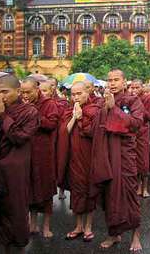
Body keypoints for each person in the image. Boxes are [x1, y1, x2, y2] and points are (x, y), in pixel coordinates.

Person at [89, 69, 143, 251]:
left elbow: (136, 124)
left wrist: (114, 109)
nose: (112, 83)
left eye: (116, 80)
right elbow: (95, 127)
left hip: (124, 154)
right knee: (110, 195)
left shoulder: (132, 101)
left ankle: (136, 236)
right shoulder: (101, 101)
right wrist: (105, 108)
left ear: (124, 81)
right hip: (107, 156)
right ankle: (114, 234)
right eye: (109, 80)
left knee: (129, 194)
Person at [0, 75, 40, 254]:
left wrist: (2, 116)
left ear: (18, 92)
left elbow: (19, 138)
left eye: (4, 92)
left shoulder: (29, 112)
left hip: (15, 171)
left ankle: (19, 247)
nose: (0, 95)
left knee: (16, 212)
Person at [56, 82, 101, 242]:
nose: (75, 97)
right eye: (73, 94)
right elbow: (64, 132)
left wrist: (82, 118)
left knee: (90, 192)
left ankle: (88, 227)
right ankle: (78, 226)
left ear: (87, 93)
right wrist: (75, 117)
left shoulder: (95, 110)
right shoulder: (69, 110)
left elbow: (94, 132)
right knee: (76, 192)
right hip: (74, 158)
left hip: (89, 157)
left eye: (79, 93)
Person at [21, 78, 59, 238]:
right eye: (22, 92)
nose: (25, 95)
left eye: (28, 92)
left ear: (37, 89)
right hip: (27, 152)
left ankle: (46, 226)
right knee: (30, 189)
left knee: (45, 189)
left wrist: (34, 114)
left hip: (44, 153)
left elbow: (52, 124)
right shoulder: (23, 104)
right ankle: (33, 224)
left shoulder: (49, 104)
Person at [130, 80, 150, 198]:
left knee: (143, 161)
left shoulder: (147, 98)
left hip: (143, 132)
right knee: (133, 161)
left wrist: (138, 105)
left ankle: (144, 188)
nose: (134, 90)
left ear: (142, 88)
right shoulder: (129, 98)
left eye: (137, 87)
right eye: (132, 87)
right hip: (132, 132)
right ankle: (137, 187)